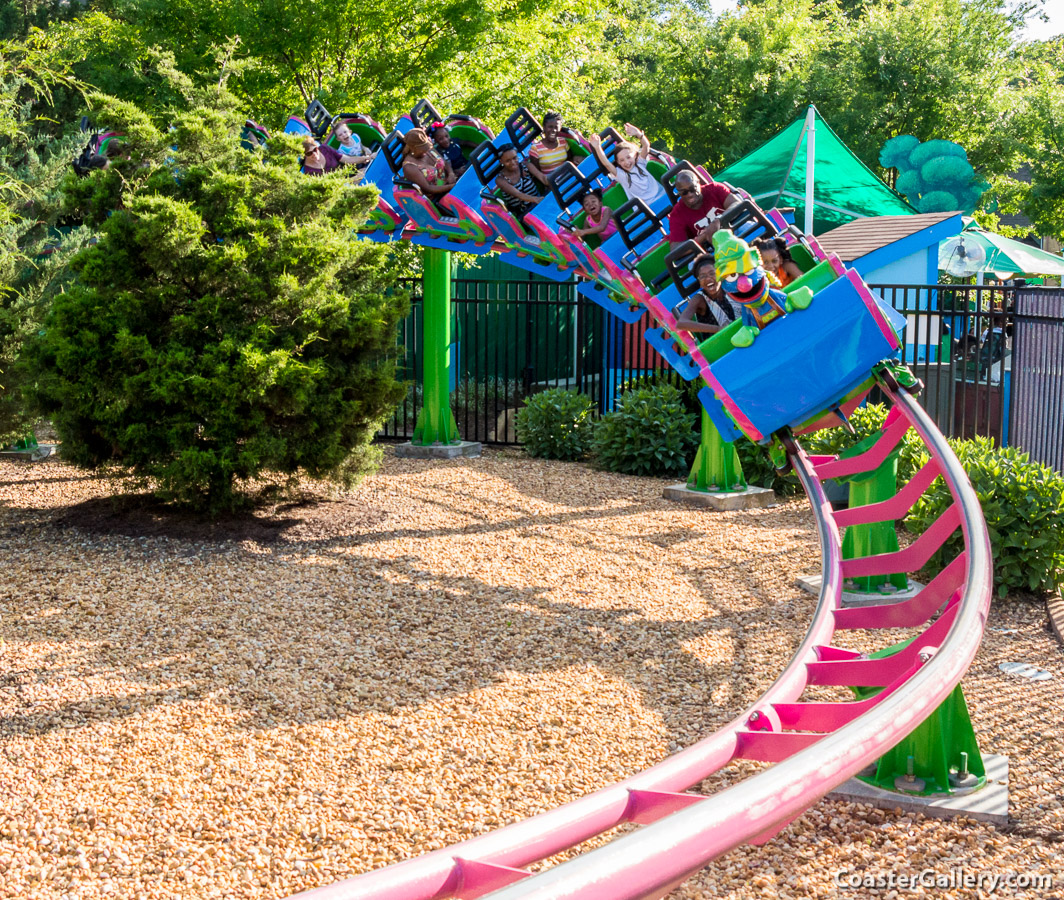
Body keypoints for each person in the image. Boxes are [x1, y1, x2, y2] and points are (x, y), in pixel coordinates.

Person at [587, 123, 666, 207]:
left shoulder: (640, 163)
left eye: (628, 157)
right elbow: (607, 164)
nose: (626, 162)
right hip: (648, 207)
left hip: (661, 196)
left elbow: (646, 145)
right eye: (622, 160)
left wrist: (638, 133)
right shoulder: (622, 175)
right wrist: (597, 147)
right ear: (618, 163)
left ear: (635, 155)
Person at [668, 170, 741, 250]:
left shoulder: (714, 189)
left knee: (750, 227)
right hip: (708, 248)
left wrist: (718, 220)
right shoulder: (677, 214)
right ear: (679, 193)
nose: (690, 194)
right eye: (684, 192)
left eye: (692, 188)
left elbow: (736, 203)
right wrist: (704, 236)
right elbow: (675, 248)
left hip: (733, 229)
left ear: (698, 183)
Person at [676, 256, 741, 334]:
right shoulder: (699, 299)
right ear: (699, 282)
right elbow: (681, 323)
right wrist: (718, 329)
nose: (708, 279)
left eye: (712, 273)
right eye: (703, 276)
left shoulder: (730, 285)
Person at [401, 127, 456, 198]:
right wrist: (452, 186)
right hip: (437, 197)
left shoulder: (428, 149)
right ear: (413, 148)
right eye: (422, 149)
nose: (426, 151)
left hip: (450, 183)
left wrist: (451, 174)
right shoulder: (409, 167)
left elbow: (444, 162)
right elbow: (428, 188)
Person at [494, 142, 542, 220]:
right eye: (508, 161)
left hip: (538, 206)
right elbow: (518, 194)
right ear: (501, 162)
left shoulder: (526, 166)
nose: (513, 162)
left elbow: (543, 178)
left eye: (514, 158)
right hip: (524, 214)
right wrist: (537, 199)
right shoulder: (500, 180)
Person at [527, 112, 571, 187]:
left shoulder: (563, 142)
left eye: (556, 127)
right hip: (551, 184)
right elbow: (537, 174)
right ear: (544, 127)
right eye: (550, 127)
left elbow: (570, 160)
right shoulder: (536, 148)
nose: (553, 130)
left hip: (568, 178)